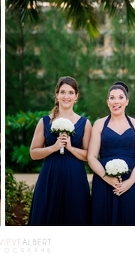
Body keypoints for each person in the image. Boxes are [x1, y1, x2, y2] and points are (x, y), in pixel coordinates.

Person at [28, 76, 92, 225]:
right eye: (62, 92)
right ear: (57, 95)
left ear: (76, 97)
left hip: (75, 177)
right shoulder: (44, 121)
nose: (66, 96)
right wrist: (53, 147)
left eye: (70, 92)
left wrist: (70, 147)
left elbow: (89, 156)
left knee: (75, 216)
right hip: (50, 175)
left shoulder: (85, 123)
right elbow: (33, 153)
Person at [87, 81, 135, 225]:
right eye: (112, 98)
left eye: (120, 97)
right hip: (104, 181)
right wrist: (106, 177)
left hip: (130, 182)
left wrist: (130, 181)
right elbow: (92, 157)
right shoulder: (99, 124)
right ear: (108, 102)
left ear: (127, 101)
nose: (116, 101)